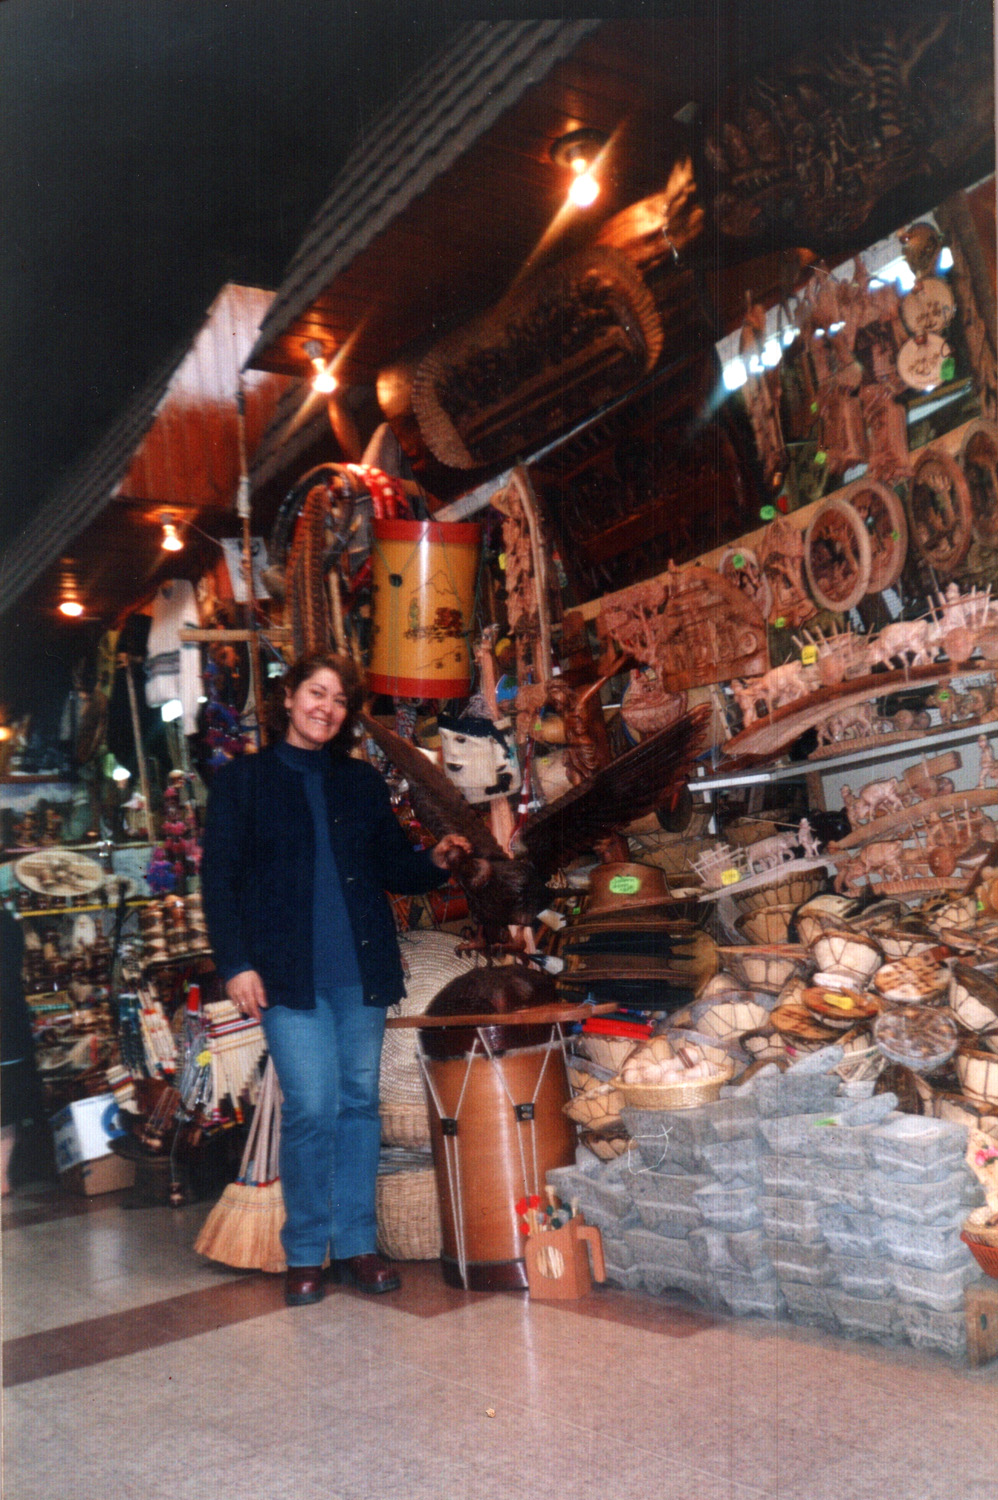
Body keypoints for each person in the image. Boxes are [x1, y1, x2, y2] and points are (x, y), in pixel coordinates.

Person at [201, 651, 471, 1305]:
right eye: (316, 693)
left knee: (358, 1107)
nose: (327, 708)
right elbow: (219, 880)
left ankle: (356, 1245)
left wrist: (434, 860)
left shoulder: (360, 783)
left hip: (360, 971)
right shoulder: (245, 780)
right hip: (288, 976)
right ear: (289, 697)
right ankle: (305, 1251)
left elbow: (393, 868)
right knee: (314, 1109)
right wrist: (235, 964)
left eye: (340, 699)